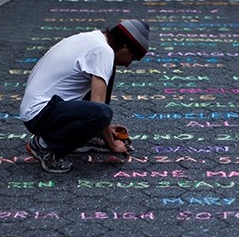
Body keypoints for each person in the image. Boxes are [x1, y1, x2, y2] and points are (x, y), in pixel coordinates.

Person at [20, 19, 150, 173]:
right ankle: (44, 146)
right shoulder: (103, 51)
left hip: (42, 109)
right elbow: (99, 107)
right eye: (134, 57)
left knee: (103, 95)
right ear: (125, 46)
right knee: (102, 113)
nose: (129, 64)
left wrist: (106, 129)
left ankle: (88, 136)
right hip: (41, 114)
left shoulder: (93, 39)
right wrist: (113, 145)